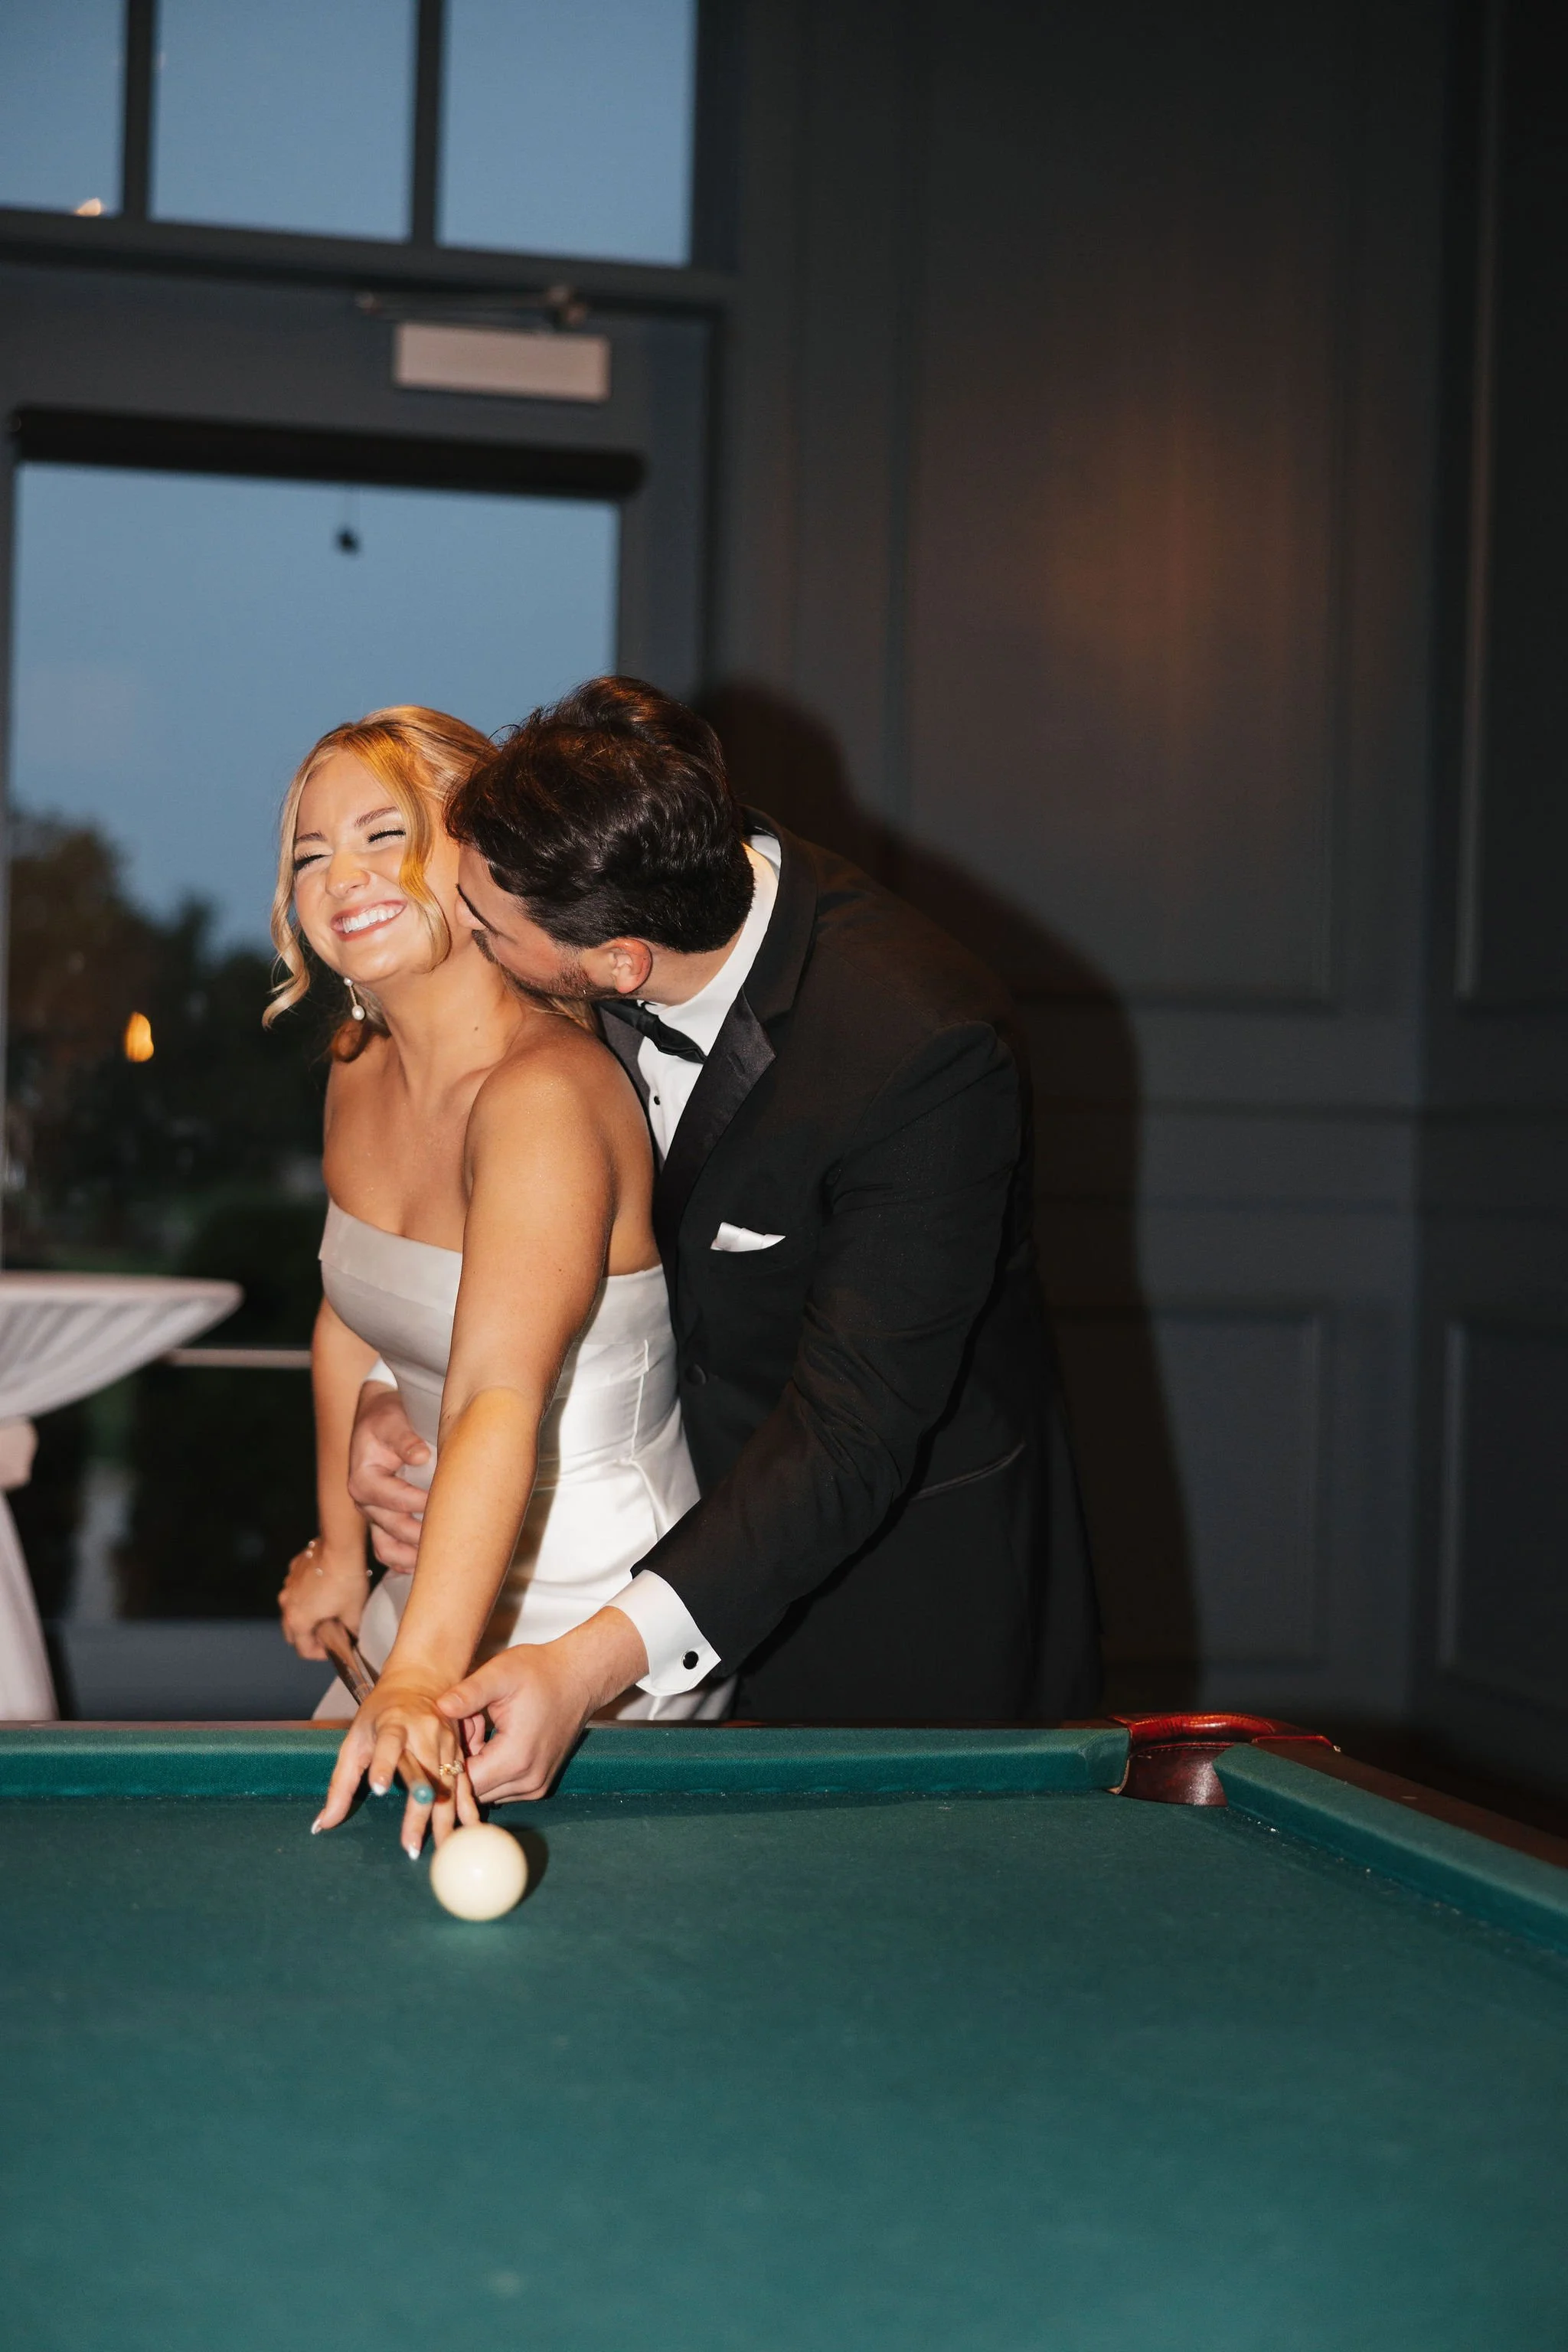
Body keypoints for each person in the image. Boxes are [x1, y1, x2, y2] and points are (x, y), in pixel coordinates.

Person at [344, 677, 1101, 1802]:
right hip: (650, 1522)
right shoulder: (607, 844)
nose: (462, 929)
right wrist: (385, 1385)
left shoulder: (925, 1050)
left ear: (617, 966)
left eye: (487, 928)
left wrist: (590, 1661)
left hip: (891, 1596)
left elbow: (850, 1438)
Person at [269, 705, 731, 1855]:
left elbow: (492, 1397)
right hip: (429, 1581)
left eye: (385, 836)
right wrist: (337, 1548)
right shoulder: (357, 1066)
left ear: (472, 857)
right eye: (311, 854)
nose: (344, 877)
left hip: (597, 1625)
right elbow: (349, 1317)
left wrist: (423, 1675)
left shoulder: (545, 1098)